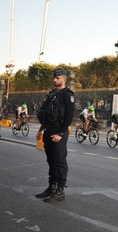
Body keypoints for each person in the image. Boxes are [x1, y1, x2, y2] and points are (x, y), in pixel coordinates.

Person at [35, 68, 75, 202]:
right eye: (54, 78)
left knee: (59, 161)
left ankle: (60, 190)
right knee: (51, 161)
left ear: (64, 79)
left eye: (57, 78)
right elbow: (47, 114)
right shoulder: (52, 94)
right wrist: (40, 129)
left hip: (59, 132)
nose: (54, 80)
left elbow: (69, 116)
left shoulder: (67, 95)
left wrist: (61, 133)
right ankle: (52, 187)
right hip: (48, 131)